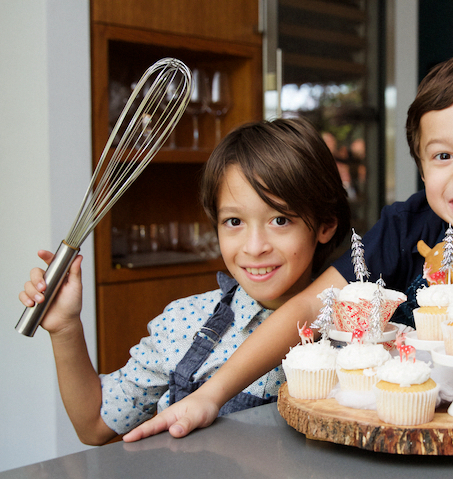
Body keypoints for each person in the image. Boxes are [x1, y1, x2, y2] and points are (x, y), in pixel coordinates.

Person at [124, 39, 453, 442]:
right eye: (442, 155)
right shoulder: (406, 226)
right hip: (405, 430)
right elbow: (308, 307)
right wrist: (210, 396)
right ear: (421, 167)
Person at [18, 118, 351, 445]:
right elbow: (94, 425)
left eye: (280, 220)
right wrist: (65, 328)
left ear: (325, 225)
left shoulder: (361, 333)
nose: (254, 247)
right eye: (234, 221)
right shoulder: (184, 323)